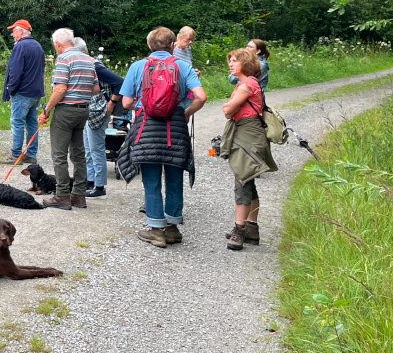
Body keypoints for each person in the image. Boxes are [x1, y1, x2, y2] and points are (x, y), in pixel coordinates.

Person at [117, 26, 208, 248]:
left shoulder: (138, 67)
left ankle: (156, 230)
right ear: (171, 46)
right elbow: (201, 97)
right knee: (175, 179)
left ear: (149, 46)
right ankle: (173, 228)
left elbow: (127, 102)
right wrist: (185, 112)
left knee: (152, 180)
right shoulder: (182, 66)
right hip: (175, 128)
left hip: (146, 127)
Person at [220, 47, 276, 250]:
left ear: (247, 63)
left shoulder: (248, 84)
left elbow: (228, 109)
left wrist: (228, 106)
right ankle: (252, 228)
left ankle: (239, 230)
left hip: (248, 134)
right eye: (230, 61)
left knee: (242, 179)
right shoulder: (247, 83)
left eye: (235, 60)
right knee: (248, 180)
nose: (231, 64)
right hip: (247, 132)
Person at [38, 29, 99, 210]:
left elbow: (60, 89)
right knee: (79, 154)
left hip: (66, 111)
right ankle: (79, 194)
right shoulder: (88, 59)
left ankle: (62, 195)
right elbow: (95, 89)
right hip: (83, 110)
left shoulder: (64, 58)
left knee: (59, 155)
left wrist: (46, 110)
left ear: (58, 44)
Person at [74, 38, 124, 199]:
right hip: (90, 110)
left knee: (96, 149)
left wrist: (112, 103)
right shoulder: (88, 64)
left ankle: (100, 186)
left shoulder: (95, 66)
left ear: (82, 52)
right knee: (87, 148)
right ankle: (90, 180)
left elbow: (119, 82)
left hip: (99, 110)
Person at [1, 19, 44, 164]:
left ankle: (16, 155)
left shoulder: (20, 46)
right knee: (32, 123)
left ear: (20, 31)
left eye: (13, 31)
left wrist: (11, 89)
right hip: (36, 91)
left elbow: (16, 71)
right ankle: (31, 154)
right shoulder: (37, 45)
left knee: (17, 122)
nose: (12, 34)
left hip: (22, 92)